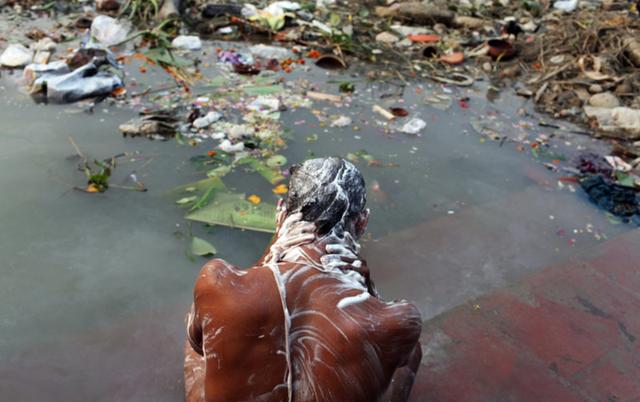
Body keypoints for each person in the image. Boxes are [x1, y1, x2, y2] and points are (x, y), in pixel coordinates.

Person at [184, 157, 422, 402]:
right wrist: (367, 290)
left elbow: (197, 342)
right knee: (411, 350)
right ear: (362, 222)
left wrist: (270, 255)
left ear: (281, 214)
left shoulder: (218, 282)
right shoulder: (396, 319)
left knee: (203, 326)